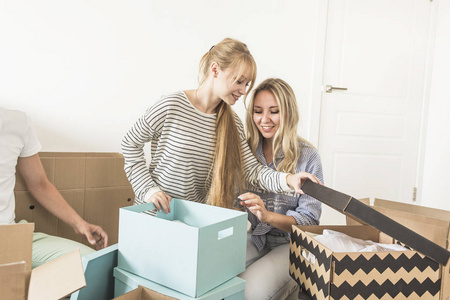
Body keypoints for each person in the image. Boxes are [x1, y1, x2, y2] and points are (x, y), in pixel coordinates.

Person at [121, 38, 320, 213]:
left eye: (247, 84)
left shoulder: (233, 124)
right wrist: (148, 189)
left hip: (190, 220)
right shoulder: (171, 105)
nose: (243, 91)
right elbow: (130, 143)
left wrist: (288, 180)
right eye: (239, 81)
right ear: (215, 69)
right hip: (153, 214)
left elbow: (252, 171)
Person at [238, 78, 323, 300]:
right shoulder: (245, 150)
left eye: (273, 111)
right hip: (255, 238)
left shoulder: (308, 157)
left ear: (288, 113)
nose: (264, 119)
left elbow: (310, 221)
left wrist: (267, 216)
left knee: (250, 293)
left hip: (292, 246)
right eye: (258, 111)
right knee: (215, 280)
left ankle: (294, 287)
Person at [0, 107, 108, 268]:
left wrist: (79, 224)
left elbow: (39, 184)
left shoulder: (17, 121)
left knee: (92, 264)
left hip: (9, 235)